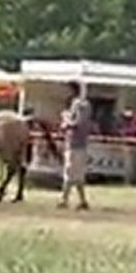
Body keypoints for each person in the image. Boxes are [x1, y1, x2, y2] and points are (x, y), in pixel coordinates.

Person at [60, 81, 92, 210]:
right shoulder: (79, 105)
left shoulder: (80, 105)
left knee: (70, 171)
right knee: (77, 174)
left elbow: (78, 123)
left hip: (76, 143)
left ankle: (64, 199)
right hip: (75, 143)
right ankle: (82, 201)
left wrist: (66, 121)